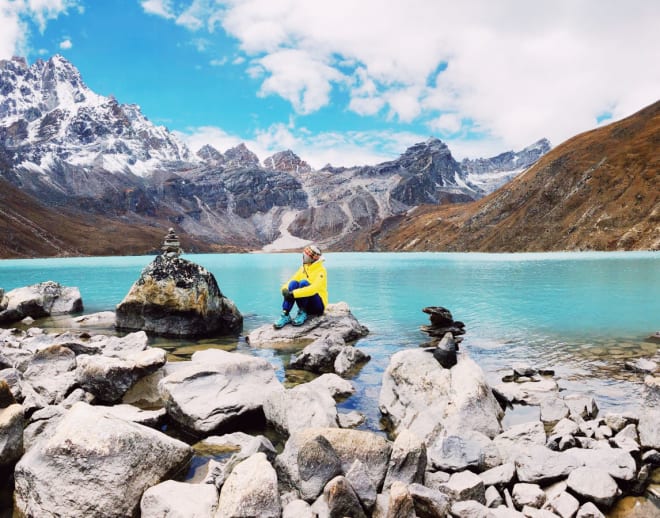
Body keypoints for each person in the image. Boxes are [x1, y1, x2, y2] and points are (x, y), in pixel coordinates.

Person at [274, 244, 328, 328]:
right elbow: (292, 280)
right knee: (293, 284)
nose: (303, 257)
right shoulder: (303, 268)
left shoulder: (321, 271)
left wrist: (293, 294)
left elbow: (313, 289)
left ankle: (303, 313)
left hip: (318, 306)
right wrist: (284, 289)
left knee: (303, 283)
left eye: (305, 256)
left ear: (311, 258)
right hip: (306, 304)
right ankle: (286, 314)